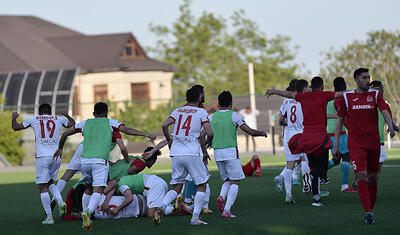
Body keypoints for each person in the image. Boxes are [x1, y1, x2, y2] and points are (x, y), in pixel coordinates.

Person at [53, 102, 156, 231]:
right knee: (98, 190)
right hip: (99, 162)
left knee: (88, 188)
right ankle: (89, 212)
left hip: (84, 162)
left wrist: (60, 149)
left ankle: (85, 214)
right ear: (107, 113)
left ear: (94, 114)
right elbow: (127, 130)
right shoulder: (111, 123)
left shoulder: (86, 123)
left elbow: (65, 134)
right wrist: (146, 134)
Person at [266, 77, 344, 207]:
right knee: (314, 165)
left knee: (292, 165)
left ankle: (292, 194)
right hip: (316, 137)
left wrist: (274, 91)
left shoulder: (295, 99)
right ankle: (315, 184)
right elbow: (341, 93)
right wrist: (359, 91)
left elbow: (287, 99)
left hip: (295, 138)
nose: (309, 88)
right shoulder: (318, 96)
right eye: (307, 86)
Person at [333, 68, 396, 225]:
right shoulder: (347, 97)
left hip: (374, 144)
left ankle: (370, 210)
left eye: (369, 77)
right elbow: (339, 121)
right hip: (356, 145)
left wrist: (390, 126)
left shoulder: (375, 95)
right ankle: (367, 210)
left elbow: (384, 111)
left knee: (373, 179)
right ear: (356, 80)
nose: (368, 80)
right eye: (364, 78)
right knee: (362, 176)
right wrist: (335, 145)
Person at [11, 104, 75, 224]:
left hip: (43, 157)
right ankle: (61, 202)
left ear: (39, 112)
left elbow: (16, 127)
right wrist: (67, 115)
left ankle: (49, 218)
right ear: (50, 112)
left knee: (42, 187)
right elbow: (72, 125)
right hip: (56, 156)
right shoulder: (58, 119)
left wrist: (14, 118)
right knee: (50, 182)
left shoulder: (34, 119)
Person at [160, 87, 213, 225]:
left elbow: (164, 125)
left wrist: (169, 139)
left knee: (177, 187)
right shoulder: (201, 111)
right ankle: (195, 218)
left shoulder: (177, 111)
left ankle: (163, 206)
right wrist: (210, 140)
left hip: (176, 153)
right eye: (203, 93)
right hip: (192, 153)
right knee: (202, 185)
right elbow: (209, 132)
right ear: (200, 96)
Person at [211, 91, 267, 217]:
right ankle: (227, 211)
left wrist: (207, 143)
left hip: (218, 154)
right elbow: (250, 131)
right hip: (231, 152)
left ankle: (221, 196)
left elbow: (206, 133)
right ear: (231, 103)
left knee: (227, 180)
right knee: (235, 182)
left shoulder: (212, 117)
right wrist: (261, 133)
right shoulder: (234, 116)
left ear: (219, 103)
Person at [275, 80, 312, 203]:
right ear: (302, 88)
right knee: (304, 160)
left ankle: (289, 195)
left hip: (289, 136)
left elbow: (280, 120)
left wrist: (290, 122)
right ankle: (308, 185)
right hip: (302, 134)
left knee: (290, 165)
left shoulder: (286, 101)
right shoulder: (306, 100)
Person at [325, 77, 356, 193]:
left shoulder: (328, 99)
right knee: (347, 156)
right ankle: (344, 186)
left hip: (330, 131)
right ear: (344, 86)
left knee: (336, 159)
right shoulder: (341, 99)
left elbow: (324, 115)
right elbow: (343, 116)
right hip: (339, 132)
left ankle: (317, 172)